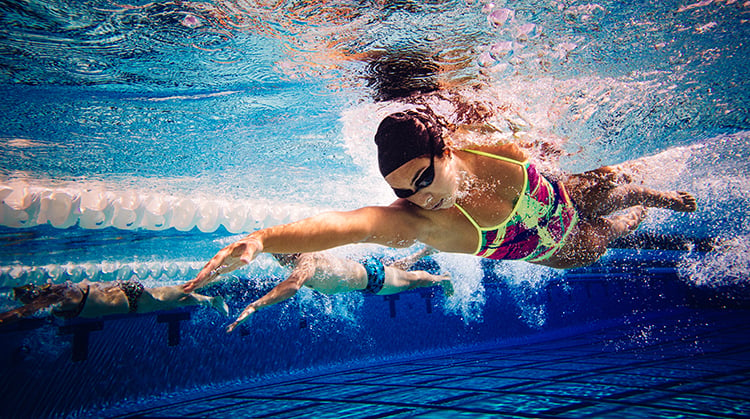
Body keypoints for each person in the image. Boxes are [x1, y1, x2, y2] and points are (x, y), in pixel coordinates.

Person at [183, 100, 696, 294]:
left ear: (447, 150)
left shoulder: (484, 142)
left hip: (553, 194)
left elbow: (538, 136)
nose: (418, 199)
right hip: (548, 248)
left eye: (424, 180)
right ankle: (640, 210)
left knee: (599, 189)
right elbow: (352, 224)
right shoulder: (420, 223)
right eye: (404, 192)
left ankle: (644, 188)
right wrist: (263, 239)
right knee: (597, 242)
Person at [225, 247, 451, 333]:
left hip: (373, 279)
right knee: (395, 272)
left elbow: (293, 286)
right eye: (276, 258)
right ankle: (421, 254)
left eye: (279, 257)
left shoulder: (306, 259)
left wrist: (256, 305)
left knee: (416, 280)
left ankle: (442, 278)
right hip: (369, 271)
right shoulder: (304, 258)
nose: (279, 262)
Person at [0, 279, 228, 324]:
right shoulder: (55, 298)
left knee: (179, 291)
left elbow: (21, 312)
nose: (21, 301)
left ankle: (219, 275)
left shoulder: (58, 295)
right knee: (173, 301)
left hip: (130, 297)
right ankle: (210, 300)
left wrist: (9, 316)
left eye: (24, 297)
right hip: (128, 301)